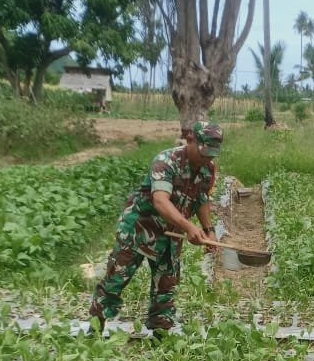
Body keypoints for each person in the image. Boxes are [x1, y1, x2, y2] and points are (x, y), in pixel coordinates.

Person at [89, 121, 222, 333]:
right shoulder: (166, 162)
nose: (208, 158)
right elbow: (161, 201)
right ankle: (94, 331)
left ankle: (161, 337)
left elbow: (201, 198)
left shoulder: (207, 168)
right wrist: (189, 226)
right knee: (115, 280)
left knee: (165, 288)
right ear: (190, 140)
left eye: (212, 154)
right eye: (204, 152)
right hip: (139, 229)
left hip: (169, 234)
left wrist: (208, 230)